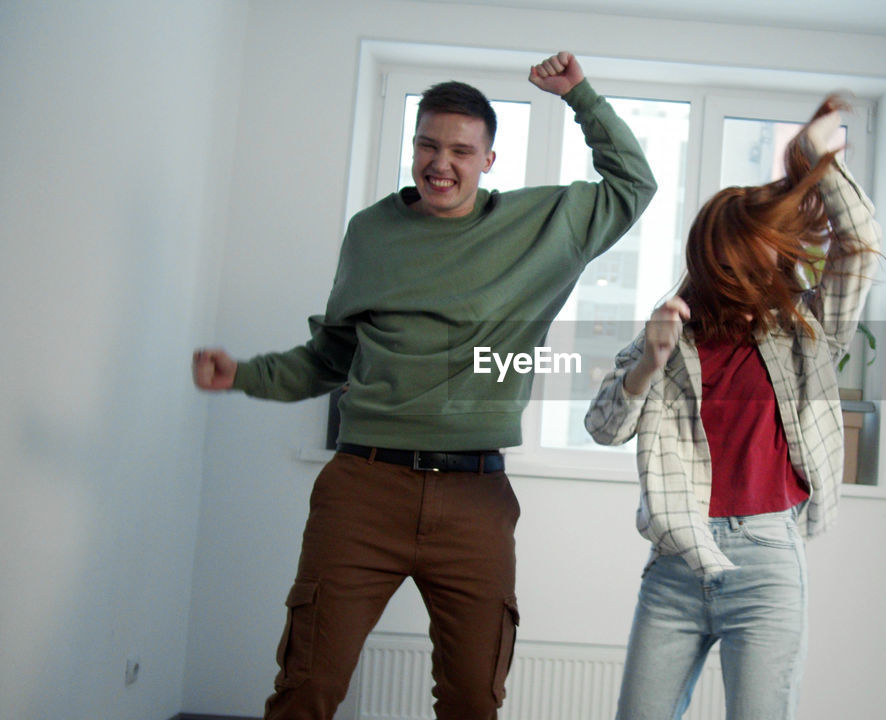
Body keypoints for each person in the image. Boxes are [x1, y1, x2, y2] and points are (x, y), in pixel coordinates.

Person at [192, 51, 656, 720]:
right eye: (428, 145)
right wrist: (245, 375)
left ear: (488, 160)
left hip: (474, 499)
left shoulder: (538, 228)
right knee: (307, 687)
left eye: (462, 150)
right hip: (364, 490)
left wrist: (579, 95)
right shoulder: (372, 233)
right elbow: (331, 354)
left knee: (472, 698)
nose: (442, 163)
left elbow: (632, 185)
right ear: (413, 148)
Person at [585, 94, 882, 720]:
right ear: (711, 264)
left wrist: (815, 162)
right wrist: (649, 362)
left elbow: (858, 246)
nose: (751, 283)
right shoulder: (670, 335)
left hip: (767, 562)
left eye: (764, 266)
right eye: (735, 269)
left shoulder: (807, 332)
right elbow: (604, 427)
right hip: (674, 566)